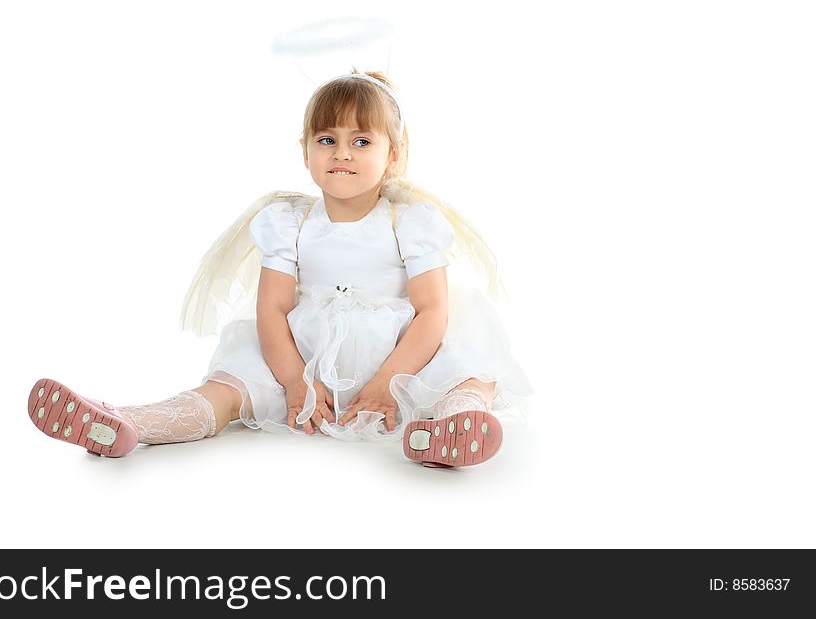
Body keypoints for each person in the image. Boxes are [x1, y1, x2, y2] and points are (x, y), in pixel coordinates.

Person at [27, 68, 533, 467]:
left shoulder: (411, 220)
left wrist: (386, 384)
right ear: (305, 151)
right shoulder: (287, 221)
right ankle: (130, 422)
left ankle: (450, 421)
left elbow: (430, 311)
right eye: (326, 140)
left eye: (361, 141)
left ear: (393, 154)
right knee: (230, 385)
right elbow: (272, 307)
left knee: (469, 359)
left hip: (401, 353)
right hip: (307, 354)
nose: (341, 153)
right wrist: (294, 382)